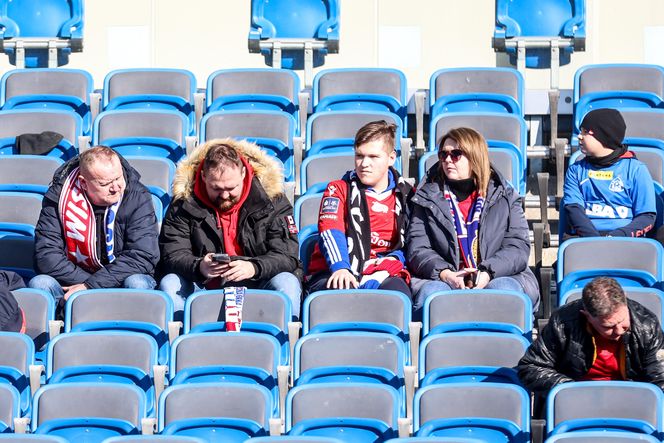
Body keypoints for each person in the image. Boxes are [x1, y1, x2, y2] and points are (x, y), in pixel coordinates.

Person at [158, 138, 302, 318]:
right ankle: (179, 339)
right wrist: (199, 266)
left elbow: (287, 255)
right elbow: (171, 253)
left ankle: (285, 340)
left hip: (258, 281)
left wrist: (254, 267)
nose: (225, 195)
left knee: (287, 281)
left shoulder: (272, 200)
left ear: (243, 173)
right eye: (216, 188)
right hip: (203, 284)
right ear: (203, 176)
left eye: (231, 187)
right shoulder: (183, 203)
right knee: (171, 283)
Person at [406, 127, 539, 314]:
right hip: (444, 276)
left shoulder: (506, 196)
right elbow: (417, 248)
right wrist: (445, 273)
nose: (447, 160)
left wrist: (488, 272)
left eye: (456, 154)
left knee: (504, 291)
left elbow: (517, 247)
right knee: (433, 294)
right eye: (443, 155)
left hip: (500, 274)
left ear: (475, 157)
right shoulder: (426, 197)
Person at [29, 146, 159, 301]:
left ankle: (128, 322)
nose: (116, 188)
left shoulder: (138, 196)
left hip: (122, 279)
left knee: (137, 283)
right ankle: (62, 322)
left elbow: (142, 257)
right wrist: (88, 283)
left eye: (118, 178)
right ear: (83, 183)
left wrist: (91, 286)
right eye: (105, 184)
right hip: (74, 279)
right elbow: (46, 256)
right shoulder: (59, 198)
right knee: (40, 283)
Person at [305, 120, 414, 297]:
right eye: (359, 156)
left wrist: (383, 270)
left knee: (397, 297)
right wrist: (340, 267)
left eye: (373, 157)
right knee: (342, 290)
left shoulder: (408, 195)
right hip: (335, 268)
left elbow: (410, 244)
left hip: (385, 270)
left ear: (391, 158)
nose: (364, 164)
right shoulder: (338, 189)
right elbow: (331, 232)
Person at [518, 277, 664, 396]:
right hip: (577, 399)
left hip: (631, 398)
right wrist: (569, 389)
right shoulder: (562, 323)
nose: (619, 330)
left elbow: (660, 377)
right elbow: (531, 367)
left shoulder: (647, 325)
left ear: (625, 301)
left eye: (622, 321)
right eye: (608, 327)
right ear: (587, 316)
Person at [563, 108, 656, 238]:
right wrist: (595, 240)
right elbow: (574, 209)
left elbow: (647, 216)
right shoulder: (576, 170)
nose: (579, 136)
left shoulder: (636, 170)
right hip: (586, 239)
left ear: (603, 137)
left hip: (627, 239)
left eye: (585, 132)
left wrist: (617, 236)